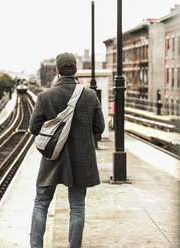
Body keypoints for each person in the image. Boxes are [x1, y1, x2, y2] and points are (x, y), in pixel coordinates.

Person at [29, 53, 105, 248]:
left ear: (57, 70)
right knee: (77, 207)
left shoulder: (45, 96)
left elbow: (34, 128)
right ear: (75, 71)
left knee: (41, 203)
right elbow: (99, 128)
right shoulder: (89, 95)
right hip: (82, 159)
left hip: (52, 158)